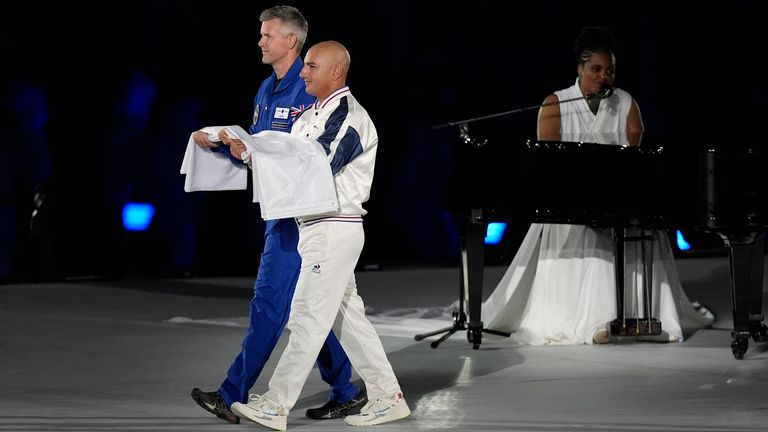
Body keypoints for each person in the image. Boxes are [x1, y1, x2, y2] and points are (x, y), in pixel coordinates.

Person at [481, 26, 713, 345]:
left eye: (610, 70)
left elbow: (638, 161)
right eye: (597, 69)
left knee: (633, 224)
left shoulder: (626, 103)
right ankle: (594, 322)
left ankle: (640, 315)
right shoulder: (556, 104)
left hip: (617, 198)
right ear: (580, 69)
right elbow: (545, 167)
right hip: (567, 204)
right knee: (588, 228)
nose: (604, 77)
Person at [189, 6, 365, 424]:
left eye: (268, 35)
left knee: (270, 304)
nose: (260, 41)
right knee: (301, 310)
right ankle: (345, 389)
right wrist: (226, 144)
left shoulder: (312, 90)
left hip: (303, 215)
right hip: (279, 212)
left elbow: (313, 158)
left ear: (292, 40)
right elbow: (265, 152)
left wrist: (252, 150)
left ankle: (232, 394)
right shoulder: (265, 90)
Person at [225, 40, 411, 431]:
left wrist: (256, 154)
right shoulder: (312, 114)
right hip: (316, 227)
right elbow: (289, 160)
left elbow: (319, 163)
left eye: (311, 66)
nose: (303, 72)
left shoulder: (349, 116)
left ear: (335, 72)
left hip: (334, 227)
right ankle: (387, 397)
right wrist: (245, 152)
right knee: (348, 321)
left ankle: (275, 404)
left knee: (308, 316)